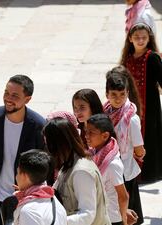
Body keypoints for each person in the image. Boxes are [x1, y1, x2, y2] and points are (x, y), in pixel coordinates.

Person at [0, 75, 45, 225]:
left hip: (23, 199)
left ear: (27, 99)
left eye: (15, 95)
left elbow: (43, 162)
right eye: (6, 93)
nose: (8, 98)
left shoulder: (38, 126)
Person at [43, 118, 110, 225]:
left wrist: (55, 222)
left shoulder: (81, 172)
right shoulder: (68, 165)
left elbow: (87, 215)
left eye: (48, 144)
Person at [120, 23, 162, 183]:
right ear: (130, 38)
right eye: (137, 37)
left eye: (144, 37)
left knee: (148, 137)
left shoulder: (152, 58)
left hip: (149, 108)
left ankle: (149, 173)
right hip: (130, 106)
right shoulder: (128, 57)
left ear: (149, 39)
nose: (140, 40)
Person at [104, 70, 145, 224]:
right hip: (109, 166)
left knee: (130, 210)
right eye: (114, 94)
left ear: (128, 93)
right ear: (107, 94)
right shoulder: (105, 111)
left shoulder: (131, 118)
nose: (118, 99)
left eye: (122, 94)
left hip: (125, 169)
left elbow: (138, 146)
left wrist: (140, 154)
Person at [86, 114, 129, 225]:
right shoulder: (93, 153)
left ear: (105, 136)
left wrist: (124, 220)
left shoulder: (112, 164)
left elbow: (123, 196)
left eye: (91, 133)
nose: (86, 136)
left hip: (111, 218)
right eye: (86, 131)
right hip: (98, 215)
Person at [13, 149, 67, 225]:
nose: (16, 177)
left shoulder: (28, 211)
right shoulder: (55, 201)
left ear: (25, 176)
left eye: (18, 173)